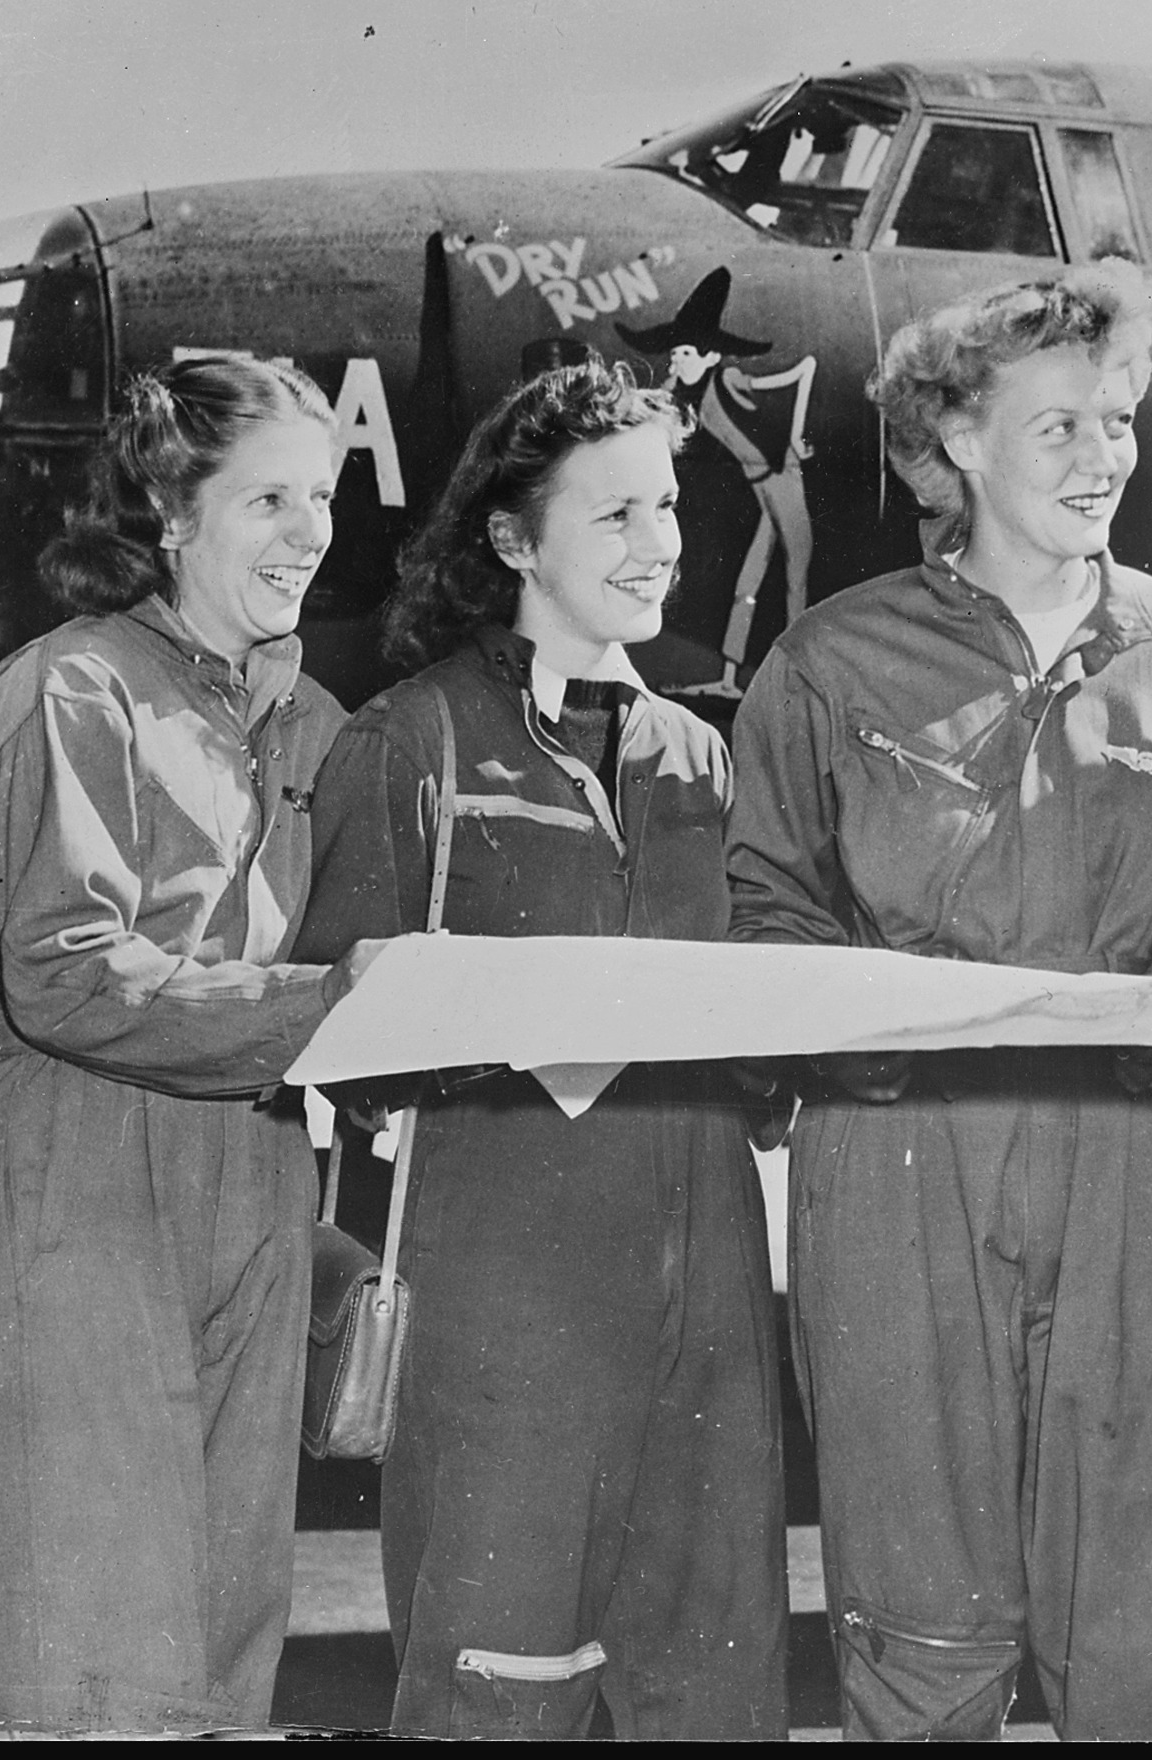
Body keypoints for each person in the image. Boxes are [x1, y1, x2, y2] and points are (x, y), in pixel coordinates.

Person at [726, 259, 1152, 1740]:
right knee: (919, 1620)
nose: (1105, 455)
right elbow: (768, 902)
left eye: (1120, 422)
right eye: (1062, 427)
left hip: (1130, 1159)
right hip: (897, 1160)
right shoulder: (832, 660)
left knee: (1151, 1628)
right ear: (957, 440)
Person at [290, 360, 790, 1740]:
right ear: (512, 538)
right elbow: (333, 1036)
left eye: (670, 508)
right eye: (614, 515)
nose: (661, 546)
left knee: (716, 1677)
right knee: (501, 1686)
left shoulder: (706, 758)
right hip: (509, 1296)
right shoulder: (412, 743)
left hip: (713, 1293)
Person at [0, 354, 378, 1731]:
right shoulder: (74, 697)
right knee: (93, 1662)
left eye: (323, 496)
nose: (310, 532)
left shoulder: (318, 726)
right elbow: (63, 973)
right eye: (267, 500)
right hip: (81, 1172)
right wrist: (331, 1003)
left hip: (252, 1167)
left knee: (223, 1651)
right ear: (171, 513)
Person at [619, 267, 817, 698]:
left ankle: (798, 678)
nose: (675, 362)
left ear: (710, 356)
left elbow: (801, 372)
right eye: (673, 355)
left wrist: (798, 436)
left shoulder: (727, 378)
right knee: (748, 585)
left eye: (685, 353)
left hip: (783, 479)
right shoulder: (690, 391)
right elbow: (656, 402)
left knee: (795, 575)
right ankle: (730, 681)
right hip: (761, 488)